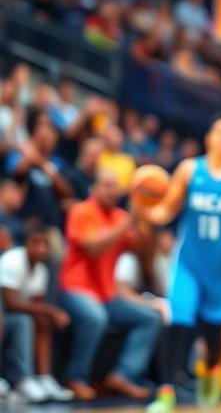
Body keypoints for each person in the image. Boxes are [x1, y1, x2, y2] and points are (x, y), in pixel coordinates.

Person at [139, 115, 221, 413]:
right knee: (178, 319)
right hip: (189, 262)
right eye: (218, 131)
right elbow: (167, 209)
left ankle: (211, 370)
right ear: (208, 138)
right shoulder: (189, 170)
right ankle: (166, 392)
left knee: (213, 331)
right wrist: (145, 209)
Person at [58, 170, 161, 400]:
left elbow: (144, 254)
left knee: (149, 318)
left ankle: (123, 375)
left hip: (106, 294)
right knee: (95, 317)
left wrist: (147, 219)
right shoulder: (81, 211)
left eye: (115, 186)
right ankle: (76, 377)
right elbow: (93, 248)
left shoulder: (119, 217)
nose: (112, 191)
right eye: (106, 185)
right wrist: (129, 223)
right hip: (75, 289)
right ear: (94, 189)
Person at [0, 222, 74, 402]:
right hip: (4, 312)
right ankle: (22, 379)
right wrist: (51, 310)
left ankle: (43, 378)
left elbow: (36, 306)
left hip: (13, 318)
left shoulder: (41, 271)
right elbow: (10, 303)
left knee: (40, 320)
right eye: (37, 243)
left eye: (45, 244)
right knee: (23, 320)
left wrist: (48, 314)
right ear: (26, 243)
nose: (41, 249)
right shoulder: (12, 260)